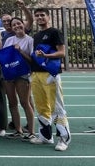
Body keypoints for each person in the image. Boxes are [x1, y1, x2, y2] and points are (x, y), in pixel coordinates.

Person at [28, 8, 71, 151]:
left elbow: (62, 52)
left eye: (42, 15)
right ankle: (45, 136)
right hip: (36, 74)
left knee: (57, 107)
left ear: (48, 17)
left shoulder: (54, 32)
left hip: (50, 74)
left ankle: (63, 139)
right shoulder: (37, 35)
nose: (39, 17)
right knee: (41, 107)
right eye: (37, 15)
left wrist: (46, 55)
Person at [2, 16, 35, 140]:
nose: (17, 26)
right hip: (9, 74)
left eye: (19, 23)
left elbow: (32, 60)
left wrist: (20, 51)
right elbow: (5, 57)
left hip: (23, 74)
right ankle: (18, 130)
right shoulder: (9, 40)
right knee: (12, 103)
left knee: (25, 102)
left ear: (23, 24)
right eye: (14, 25)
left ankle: (31, 131)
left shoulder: (30, 40)